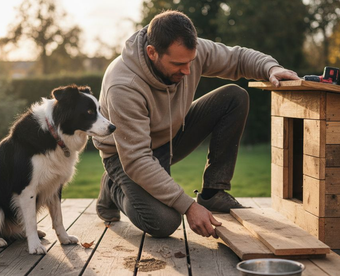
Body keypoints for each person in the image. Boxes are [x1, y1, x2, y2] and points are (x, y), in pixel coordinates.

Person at [92, 10, 299, 239]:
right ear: (152, 53)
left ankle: (213, 193)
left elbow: (237, 57)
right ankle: (113, 186)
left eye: (191, 61)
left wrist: (270, 68)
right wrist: (188, 207)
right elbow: (137, 159)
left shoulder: (189, 51)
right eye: (178, 64)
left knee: (234, 97)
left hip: (169, 136)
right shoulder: (123, 85)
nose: (188, 71)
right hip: (125, 155)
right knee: (165, 222)